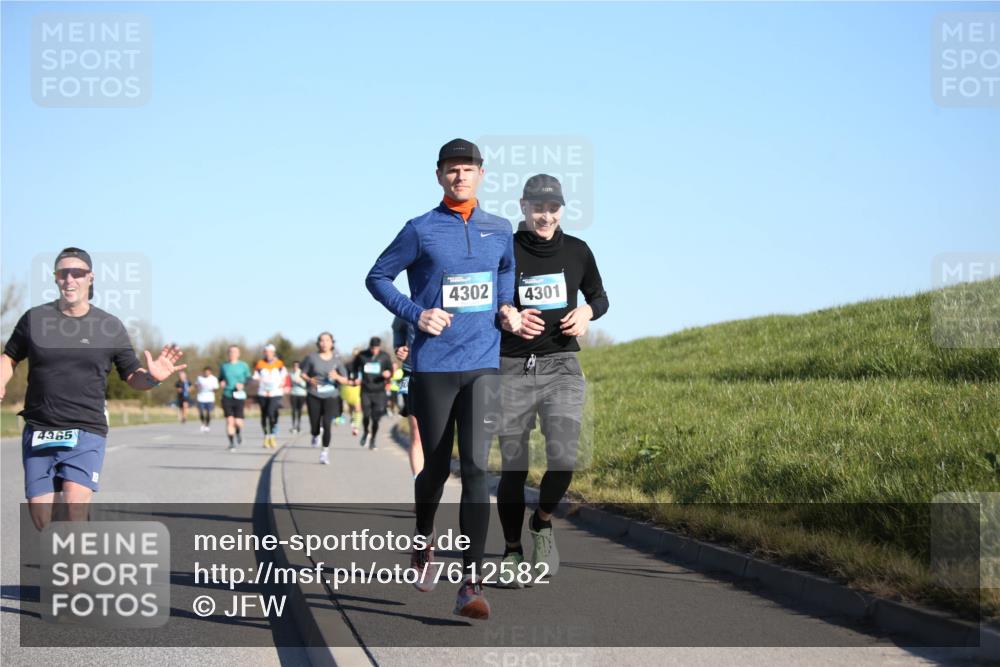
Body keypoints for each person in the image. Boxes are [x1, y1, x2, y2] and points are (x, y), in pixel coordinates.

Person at [366, 138, 522, 619]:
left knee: (475, 469)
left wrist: (507, 308)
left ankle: (470, 584)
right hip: (433, 366)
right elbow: (377, 277)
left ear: (481, 174)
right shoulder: (420, 229)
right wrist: (417, 314)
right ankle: (423, 537)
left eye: (468, 169)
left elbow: (506, 274)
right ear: (439, 176)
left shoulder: (500, 230)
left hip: (482, 364)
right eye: (452, 170)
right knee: (434, 469)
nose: (460, 176)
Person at [0, 247, 186, 530]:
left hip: (86, 429)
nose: (70, 279)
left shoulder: (108, 326)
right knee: (41, 518)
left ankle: (73, 570)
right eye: (63, 273)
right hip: (40, 428)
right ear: (55, 278)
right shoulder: (34, 319)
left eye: (78, 273)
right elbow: (9, 356)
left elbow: (132, 375)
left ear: (91, 278)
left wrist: (153, 377)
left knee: (74, 508)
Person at [495, 174, 609, 587]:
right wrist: (505, 314)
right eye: (538, 207)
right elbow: (487, 300)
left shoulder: (578, 251)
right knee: (514, 465)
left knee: (564, 457)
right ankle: (511, 550)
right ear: (523, 206)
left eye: (553, 208)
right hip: (511, 365)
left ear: (562, 209)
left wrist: (587, 314)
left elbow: (600, 297)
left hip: (562, 365)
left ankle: (541, 522)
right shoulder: (504, 248)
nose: (546, 216)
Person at [301, 332, 350, 465]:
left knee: (327, 423)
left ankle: (324, 452)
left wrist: (337, 377)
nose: (324, 343)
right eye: (322, 341)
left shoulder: (337, 359)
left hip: (331, 395)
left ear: (332, 343)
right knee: (315, 423)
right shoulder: (311, 357)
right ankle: (315, 434)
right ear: (318, 343)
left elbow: (345, 379)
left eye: (327, 340)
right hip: (314, 394)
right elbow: (303, 373)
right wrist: (309, 379)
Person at [392, 315, 423, 479]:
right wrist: (398, 348)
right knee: (416, 431)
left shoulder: (447, 297)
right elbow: (397, 329)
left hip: (444, 373)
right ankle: (420, 491)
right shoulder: (406, 303)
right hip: (411, 372)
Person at [351, 337, 393, 450]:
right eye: (372, 348)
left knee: (375, 418)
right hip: (365, 390)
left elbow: (390, 370)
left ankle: (373, 439)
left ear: (379, 347)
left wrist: (388, 374)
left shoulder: (385, 356)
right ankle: (365, 432)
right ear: (369, 346)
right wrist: (355, 377)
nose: (374, 350)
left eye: (376, 348)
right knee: (365, 415)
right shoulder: (362, 355)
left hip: (379, 391)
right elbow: (354, 367)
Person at [253, 343, 288, 449]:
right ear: (264, 353)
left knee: (271, 413)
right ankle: (266, 436)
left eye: (270, 352)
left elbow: (284, 375)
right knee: (264, 415)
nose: (268, 354)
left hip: (275, 392)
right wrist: (258, 379)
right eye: (266, 352)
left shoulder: (279, 364)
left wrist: (283, 383)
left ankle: (272, 435)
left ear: (273, 353)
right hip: (263, 392)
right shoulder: (260, 364)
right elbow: (255, 376)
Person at [219, 345, 252, 451]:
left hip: (239, 395)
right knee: (229, 421)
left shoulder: (243, 365)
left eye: (234, 352)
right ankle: (231, 443)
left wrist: (242, 384)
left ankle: (238, 432)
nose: (232, 354)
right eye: (230, 352)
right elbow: (220, 378)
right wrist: (222, 382)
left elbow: (249, 379)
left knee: (238, 422)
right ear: (228, 354)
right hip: (227, 395)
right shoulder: (224, 366)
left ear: (238, 354)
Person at [340, 347, 363, 436]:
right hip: (349, 388)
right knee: (351, 407)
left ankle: (356, 427)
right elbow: (344, 376)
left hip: (360, 388)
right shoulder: (348, 365)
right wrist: (350, 381)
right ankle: (352, 418)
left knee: (358, 408)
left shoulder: (365, 364)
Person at [195, 366, 219, 432]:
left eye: (208, 372)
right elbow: (196, 385)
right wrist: (198, 387)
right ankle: (203, 423)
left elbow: (216, 389)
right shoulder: (199, 378)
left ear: (210, 372)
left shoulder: (214, 379)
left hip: (210, 398)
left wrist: (212, 389)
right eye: (205, 372)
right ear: (203, 372)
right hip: (201, 397)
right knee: (201, 412)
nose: (206, 373)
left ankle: (207, 425)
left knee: (208, 412)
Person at [289, 361, 308, 434]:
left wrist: (299, 382)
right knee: (293, 410)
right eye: (294, 366)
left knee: (299, 410)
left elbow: (305, 384)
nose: (295, 367)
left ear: (299, 367)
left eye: (296, 366)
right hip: (293, 393)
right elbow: (289, 383)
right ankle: (293, 426)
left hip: (302, 394)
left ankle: (299, 425)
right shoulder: (291, 374)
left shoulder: (302, 373)